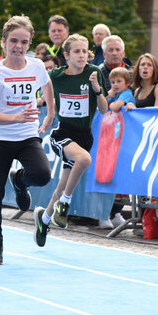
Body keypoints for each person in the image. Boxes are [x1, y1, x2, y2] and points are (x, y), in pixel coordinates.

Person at [0, 15, 54, 264]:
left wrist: (50, 113)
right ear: (3, 42)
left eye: (24, 42)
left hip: (26, 135)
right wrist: (17, 117)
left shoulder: (37, 66)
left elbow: (47, 86)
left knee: (43, 175)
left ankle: (19, 181)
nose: (19, 47)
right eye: (14, 41)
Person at [35, 34, 109, 245]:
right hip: (63, 133)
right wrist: (46, 106)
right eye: (76, 51)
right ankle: (65, 204)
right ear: (66, 55)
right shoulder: (56, 75)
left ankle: (45, 218)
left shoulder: (94, 73)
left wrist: (96, 89)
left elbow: (104, 110)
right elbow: (42, 89)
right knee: (84, 160)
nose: (81, 55)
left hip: (84, 136)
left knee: (61, 185)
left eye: (85, 51)